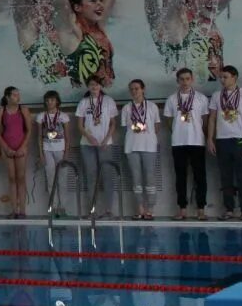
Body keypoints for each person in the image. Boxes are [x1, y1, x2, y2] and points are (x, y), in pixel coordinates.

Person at [208, 64, 242, 220]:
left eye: (225, 77)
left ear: (234, 77)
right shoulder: (216, 96)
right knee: (225, 177)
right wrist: (210, 139)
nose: (222, 80)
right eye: (221, 77)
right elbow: (212, 118)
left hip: (240, 140)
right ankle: (229, 209)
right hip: (222, 140)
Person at [167, 68, 210, 221]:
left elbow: (205, 121)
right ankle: (182, 209)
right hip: (178, 142)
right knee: (180, 177)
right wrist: (178, 131)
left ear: (192, 80)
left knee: (200, 177)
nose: (184, 82)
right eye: (181, 79)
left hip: (197, 142)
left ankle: (201, 209)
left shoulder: (201, 98)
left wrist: (202, 135)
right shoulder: (172, 99)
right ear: (177, 81)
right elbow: (169, 121)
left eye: (187, 79)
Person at [76, 76, 118, 217]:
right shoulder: (83, 102)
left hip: (105, 144)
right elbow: (80, 126)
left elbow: (113, 123)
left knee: (107, 175)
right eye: (91, 84)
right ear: (88, 86)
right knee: (91, 177)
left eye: (97, 84)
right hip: (87, 144)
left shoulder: (108, 101)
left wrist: (106, 139)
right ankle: (93, 210)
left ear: (101, 86)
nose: (94, 87)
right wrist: (89, 137)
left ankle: (108, 210)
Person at [121, 79, 162, 220]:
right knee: (136, 179)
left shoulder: (152, 106)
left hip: (149, 146)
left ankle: (150, 209)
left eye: (137, 88)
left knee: (150, 178)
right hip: (131, 146)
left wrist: (147, 135)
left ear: (143, 89)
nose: (134, 91)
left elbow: (157, 126)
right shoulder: (126, 108)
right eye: (132, 89)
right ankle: (140, 209)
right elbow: (124, 127)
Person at [0, 87, 33, 219]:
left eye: (18, 95)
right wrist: (6, 148)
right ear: (7, 97)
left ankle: (22, 211)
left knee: (21, 178)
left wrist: (22, 147)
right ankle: (14, 210)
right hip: (7, 147)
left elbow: (29, 130)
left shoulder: (24, 110)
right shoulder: (1, 111)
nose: (18, 97)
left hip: (21, 147)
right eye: (15, 95)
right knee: (11, 178)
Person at [35, 91, 71, 207]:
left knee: (62, 180)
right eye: (47, 100)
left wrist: (66, 153)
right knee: (50, 180)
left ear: (57, 101)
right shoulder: (41, 116)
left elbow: (67, 136)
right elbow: (39, 136)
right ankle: (54, 207)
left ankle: (63, 207)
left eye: (52, 100)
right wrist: (41, 155)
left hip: (61, 150)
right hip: (47, 150)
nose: (49, 102)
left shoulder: (63, 116)